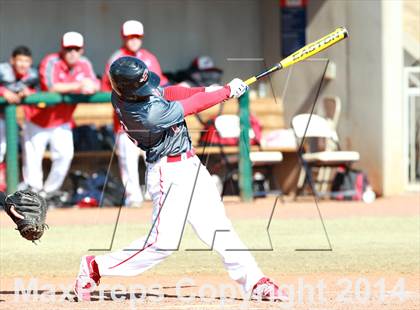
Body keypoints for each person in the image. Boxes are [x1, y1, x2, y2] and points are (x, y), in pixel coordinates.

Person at [74, 57, 288, 302]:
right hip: (168, 173)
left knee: (219, 227)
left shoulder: (128, 92)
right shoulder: (146, 115)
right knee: (162, 243)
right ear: (128, 89)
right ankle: (95, 266)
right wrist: (226, 92)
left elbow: (171, 92)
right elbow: (191, 107)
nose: (147, 88)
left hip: (191, 165)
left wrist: (208, 90)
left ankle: (255, 282)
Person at [102, 20, 169, 208]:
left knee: (155, 158)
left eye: (137, 37)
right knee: (128, 161)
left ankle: (155, 193)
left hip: (149, 120)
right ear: (123, 37)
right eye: (130, 37)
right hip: (126, 121)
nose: (134, 40)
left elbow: (160, 82)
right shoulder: (117, 58)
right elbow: (106, 86)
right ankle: (133, 197)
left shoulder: (149, 57)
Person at [22, 32, 99, 193]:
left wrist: (91, 86)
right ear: (62, 49)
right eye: (68, 49)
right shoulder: (51, 61)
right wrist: (79, 85)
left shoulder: (84, 63)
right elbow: (52, 86)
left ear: (81, 50)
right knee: (33, 160)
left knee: (65, 155)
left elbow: (95, 83)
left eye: (76, 49)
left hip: (62, 119)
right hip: (38, 118)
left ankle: (49, 192)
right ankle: (32, 193)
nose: (72, 53)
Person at [0, 46, 38, 191]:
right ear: (12, 60)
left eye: (26, 61)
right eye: (19, 60)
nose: (23, 64)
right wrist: (3, 91)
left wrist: (31, 92)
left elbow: (42, 89)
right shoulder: (2, 70)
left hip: (12, 120)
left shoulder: (33, 75)